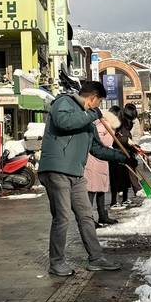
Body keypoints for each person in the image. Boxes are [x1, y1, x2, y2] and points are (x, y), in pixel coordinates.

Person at [38, 80, 136, 276]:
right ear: (92, 99)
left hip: (76, 174)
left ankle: (96, 258)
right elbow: (63, 123)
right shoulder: (64, 103)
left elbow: (97, 149)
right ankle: (56, 262)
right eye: (98, 103)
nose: (98, 107)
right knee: (62, 217)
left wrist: (124, 157)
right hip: (56, 171)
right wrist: (92, 114)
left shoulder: (88, 121)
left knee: (86, 216)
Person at [84, 108, 121, 227]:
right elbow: (97, 140)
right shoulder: (102, 125)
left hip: (102, 160)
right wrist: (108, 146)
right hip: (94, 161)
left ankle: (102, 215)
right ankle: (89, 219)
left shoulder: (108, 125)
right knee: (92, 190)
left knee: (101, 189)